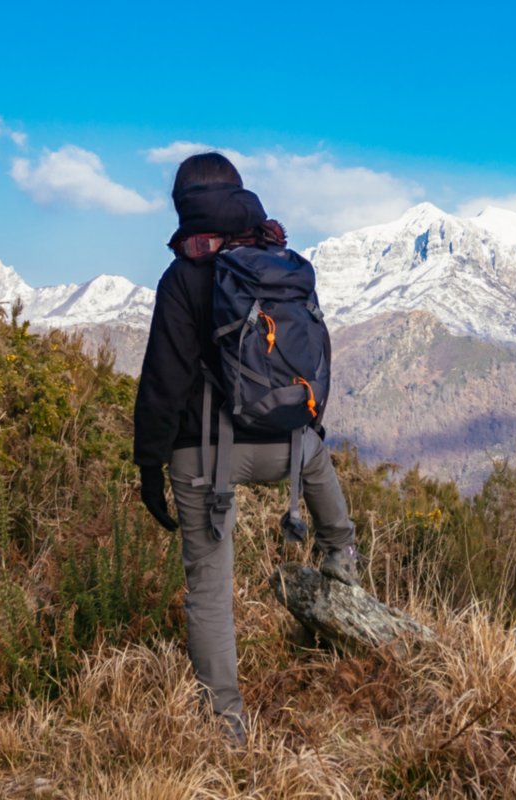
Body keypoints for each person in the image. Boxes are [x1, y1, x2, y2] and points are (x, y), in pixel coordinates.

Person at [133, 152, 359, 744]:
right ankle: (341, 551)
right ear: (239, 194)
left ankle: (228, 726)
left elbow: (164, 378)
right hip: (291, 451)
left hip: (207, 459)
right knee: (313, 449)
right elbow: (312, 357)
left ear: (182, 203)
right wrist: (309, 431)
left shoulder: (185, 274)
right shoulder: (278, 260)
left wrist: (149, 464)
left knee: (210, 590)